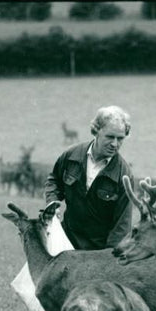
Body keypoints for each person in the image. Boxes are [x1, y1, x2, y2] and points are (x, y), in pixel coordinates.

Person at [44, 106, 133, 250]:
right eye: (110, 137)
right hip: (65, 241)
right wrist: (52, 201)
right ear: (95, 131)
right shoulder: (71, 155)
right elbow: (54, 180)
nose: (115, 144)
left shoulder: (124, 175)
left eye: (120, 139)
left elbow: (121, 227)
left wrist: (108, 260)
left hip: (96, 252)